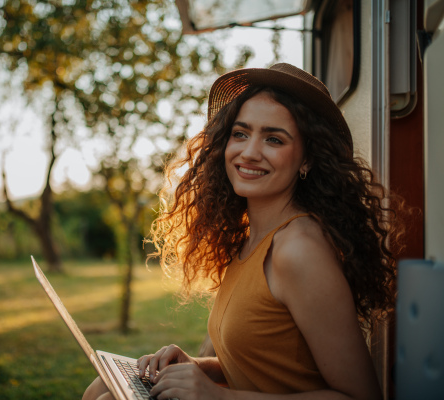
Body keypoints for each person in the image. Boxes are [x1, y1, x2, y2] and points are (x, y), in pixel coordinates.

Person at [83, 63, 402, 400]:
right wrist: (201, 365)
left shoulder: (299, 249)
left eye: (274, 139)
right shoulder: (250, 240)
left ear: (307, 159)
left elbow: (361, 396)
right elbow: (269, 364)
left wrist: (218, 396)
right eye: (240, 133)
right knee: (103, 386)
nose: (249, 152)